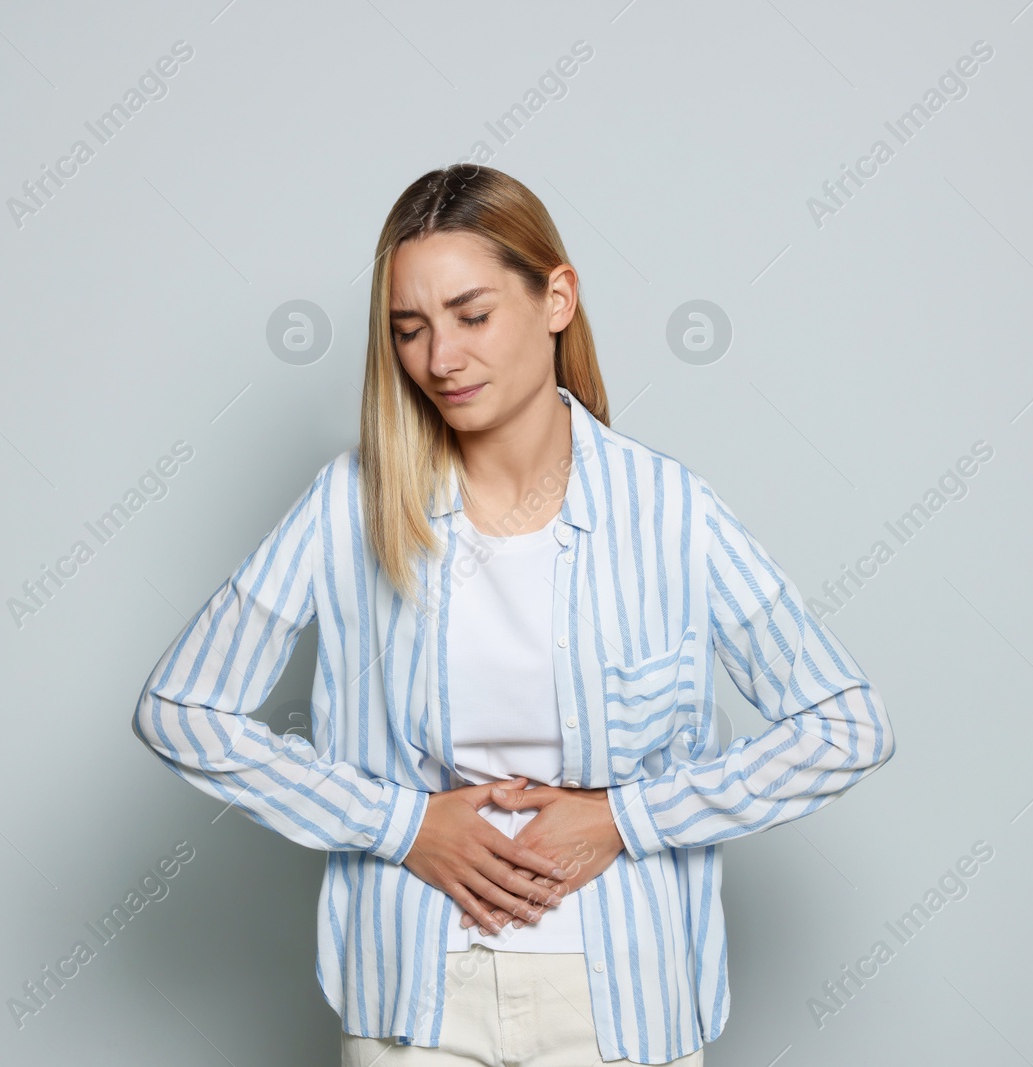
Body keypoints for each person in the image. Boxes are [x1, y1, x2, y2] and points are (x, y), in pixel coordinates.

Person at [132, 164, 896, 1066]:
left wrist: (626, 819)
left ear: (557, 298)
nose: (441, 360)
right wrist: (402, 826)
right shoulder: (351, 505)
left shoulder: (667, 509)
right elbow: (181, 708)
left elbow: (845, 725)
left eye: (472, 314)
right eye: (408, 330)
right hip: (414, 1003)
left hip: (623, 1003)